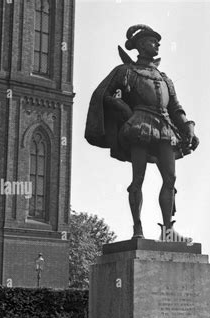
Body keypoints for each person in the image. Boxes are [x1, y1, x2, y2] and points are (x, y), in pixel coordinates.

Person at [85, 24, 199, 239]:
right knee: (138, 179)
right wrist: (123, 108)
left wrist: (188, 127)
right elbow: (104, 95)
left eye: (157, 42)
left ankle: (168, 231)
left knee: (171, 178)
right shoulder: (125, 71)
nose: (156, 44)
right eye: (151, 41)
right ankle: (138, 229)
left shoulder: (164, 78)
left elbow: (175, 107)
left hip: (165, 128)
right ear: (139, 45)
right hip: (140, 124)